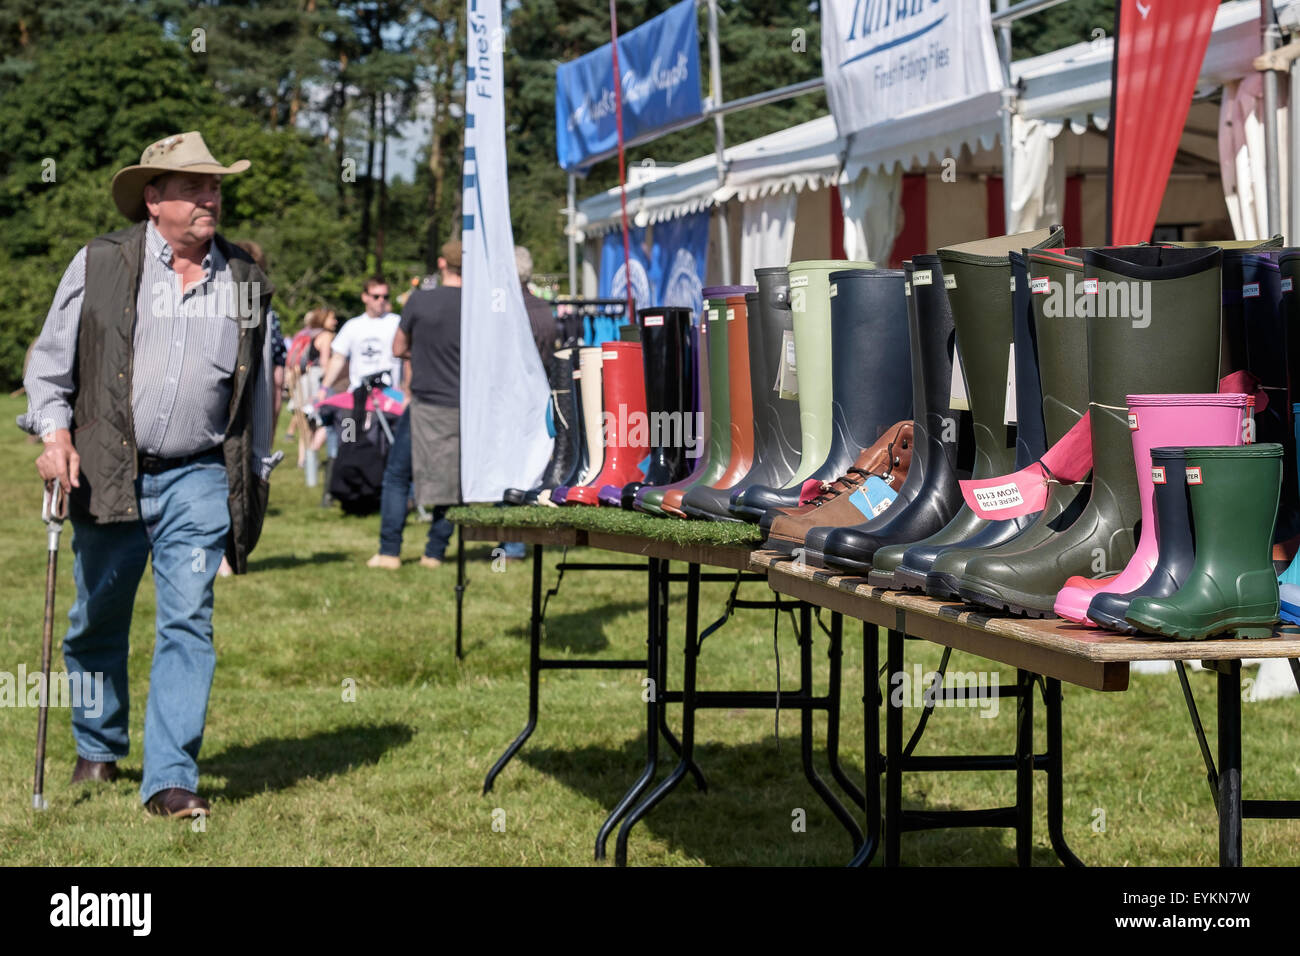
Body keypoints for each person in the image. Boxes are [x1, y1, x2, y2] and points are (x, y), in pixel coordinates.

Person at [18, 131, 278, 819]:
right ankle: (98, 746)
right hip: (108, 469)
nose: (210, 197)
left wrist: (253, 478)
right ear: (154, 198)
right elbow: (49, 366)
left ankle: (168, 777)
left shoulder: (246, 280)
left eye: (215, 186)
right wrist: (54, 433)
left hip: (198, 474)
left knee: (188, 619)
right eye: (195, 187)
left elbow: (258, 392)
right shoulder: (101, 263)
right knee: (95, 619)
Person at [367, 240, 461, 568]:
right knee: (454, 481)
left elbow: (397, 347)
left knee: (396, 475)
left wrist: (422, 352)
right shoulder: (479, 305)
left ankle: (389, 552)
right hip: (462, 407)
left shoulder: (420, 300)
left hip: (423, 403)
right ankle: (434, 553)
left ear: (441, 263)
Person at [500, 246, 558, 560]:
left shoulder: (505, 309)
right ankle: (516, 540)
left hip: (511, 397)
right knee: (528, 470)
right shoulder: (543, 309)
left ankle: (510, 543)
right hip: (537, 397)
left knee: (508, 471)